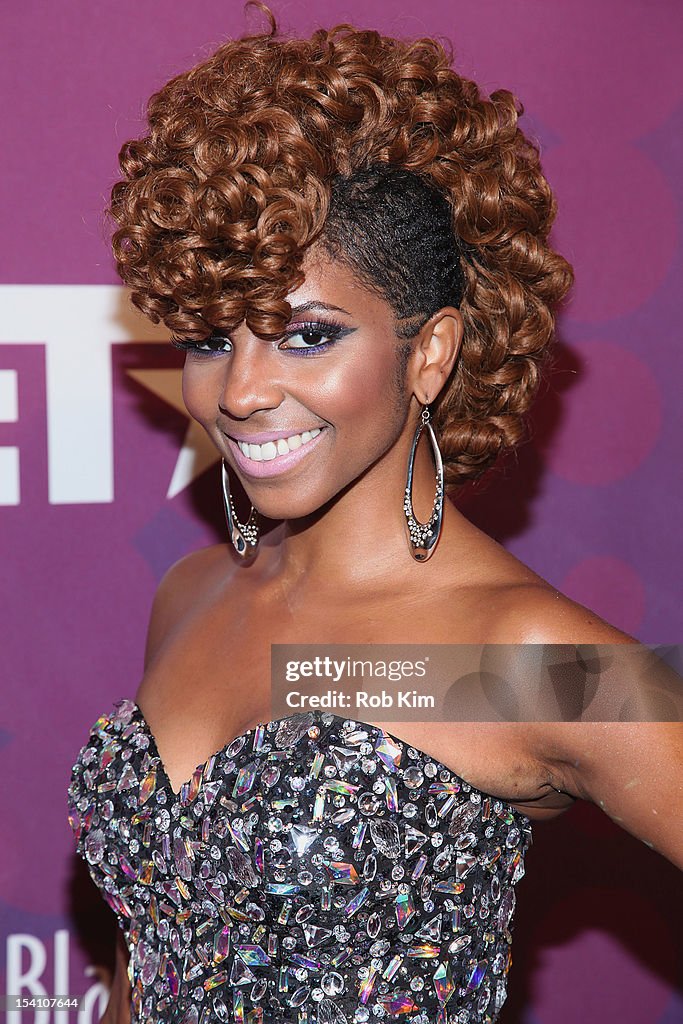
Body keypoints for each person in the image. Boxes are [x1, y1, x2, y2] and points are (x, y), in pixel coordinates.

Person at [66, 5, 682, 1023]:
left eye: (306, 336)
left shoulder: (508, 654)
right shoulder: (192, 592)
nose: (242, 391)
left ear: (429, 352)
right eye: (214, 337)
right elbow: (158, 949)